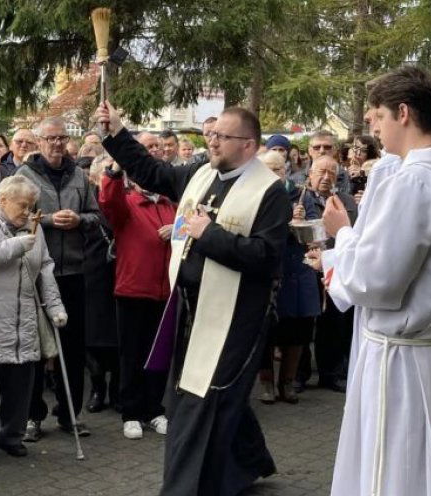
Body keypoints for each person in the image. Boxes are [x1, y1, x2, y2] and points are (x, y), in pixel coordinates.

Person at [97, 102, 287, 495]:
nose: (212, 142)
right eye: (211, 135)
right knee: (211, 392)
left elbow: (266, 258)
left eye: (222, 137)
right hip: (188, 306)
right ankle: (249, 462)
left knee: (205, 400)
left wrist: (209, 233)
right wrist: (117, 131)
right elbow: (151, 171)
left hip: (235, 316)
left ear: (249, 146)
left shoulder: (269, 191)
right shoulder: (201, 174)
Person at [317, 65, 431, 496]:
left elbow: (379, 279)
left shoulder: (418, 182)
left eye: (376, 114)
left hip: (401, 360)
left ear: (403, 112)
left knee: (395, 471)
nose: (372, 125)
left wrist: (341, 235)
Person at [0, 175, 66, 463]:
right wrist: (18, 245)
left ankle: (12, 435)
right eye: (23, 205)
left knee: (20, 381)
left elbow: (45, 268)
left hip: (25, 318)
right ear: (3, 200)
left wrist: (55, 307)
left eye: (32, 206)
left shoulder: (33, 228)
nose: (28, 212)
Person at [16, 116, 101, 439]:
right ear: (38, 142)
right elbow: (16, 217)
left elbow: (96, 216)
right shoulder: (25, 175)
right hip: (39, 271)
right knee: (36, 347)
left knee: (73, 346)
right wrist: (50, 220)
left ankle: (69, 413)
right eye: (50, 138)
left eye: (61, 138)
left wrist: (79, 219)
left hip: (75, 271)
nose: (56, 144)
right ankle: (33, 416)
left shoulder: (79, 175)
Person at [97, 153, 176, 438]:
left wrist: (177, 229)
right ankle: (131, 412)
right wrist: (116, 169)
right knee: (132, 353)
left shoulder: (171, 204)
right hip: (133, 289)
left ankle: (154, 409)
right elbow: (109, 202)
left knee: (159, 355)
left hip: (165, 291)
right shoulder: (128, 203)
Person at [255, 151, 316, 405]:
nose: (273, 174)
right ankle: (267, 382)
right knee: (266, 331)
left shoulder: (303, 196)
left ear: (286, 170)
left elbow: (316, 234)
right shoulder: (256, 195)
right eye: (267, 169)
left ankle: (288, 382)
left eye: (278, 169)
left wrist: (301, 223)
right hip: (267, 272)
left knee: (298, 331)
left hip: (297, 272)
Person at [297, 156, 358, 394]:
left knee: (334, 324)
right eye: (321, 172)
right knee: (304, 324)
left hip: (335, 266)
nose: (325, 177)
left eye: (331, 173)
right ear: (310, 173)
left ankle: (331, 373)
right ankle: (299, 376)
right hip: (305, 268)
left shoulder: (344, 201)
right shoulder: (300, 199)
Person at [83, 156, 119, 415]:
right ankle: (98, 389)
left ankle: (118, 390)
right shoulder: (88, 202)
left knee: (119, 336)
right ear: (95, 177)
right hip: (92, 274)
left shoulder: (123, 199)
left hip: (120, 274)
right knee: (93, 336)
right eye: (106, 171)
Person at [0, 129, 38, 201]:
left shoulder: (43, 170)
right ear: (11, 146)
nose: (24, 145)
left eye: (29, 142)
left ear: (36, 147)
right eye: (19, 141)